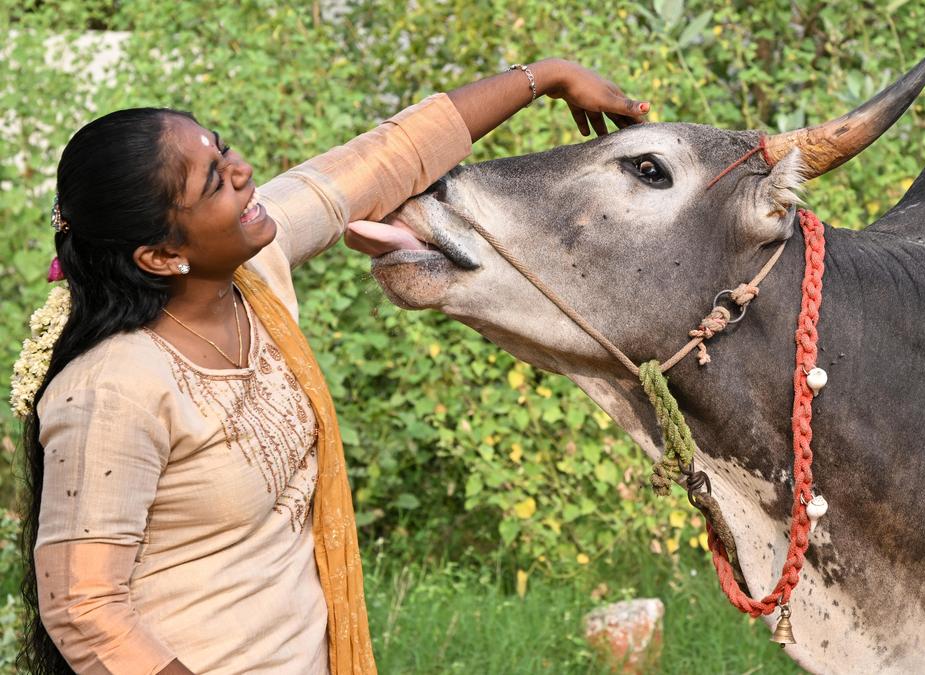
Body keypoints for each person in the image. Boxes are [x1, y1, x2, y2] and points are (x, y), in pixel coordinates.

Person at [16, 59, 648, 675]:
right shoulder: (111, 388)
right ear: (159, 255)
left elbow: (382, 158)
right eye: (214, 181)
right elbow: (83, 608)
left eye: (225, 150)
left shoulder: (248, 279)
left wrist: (546, 77)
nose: (244, 172)